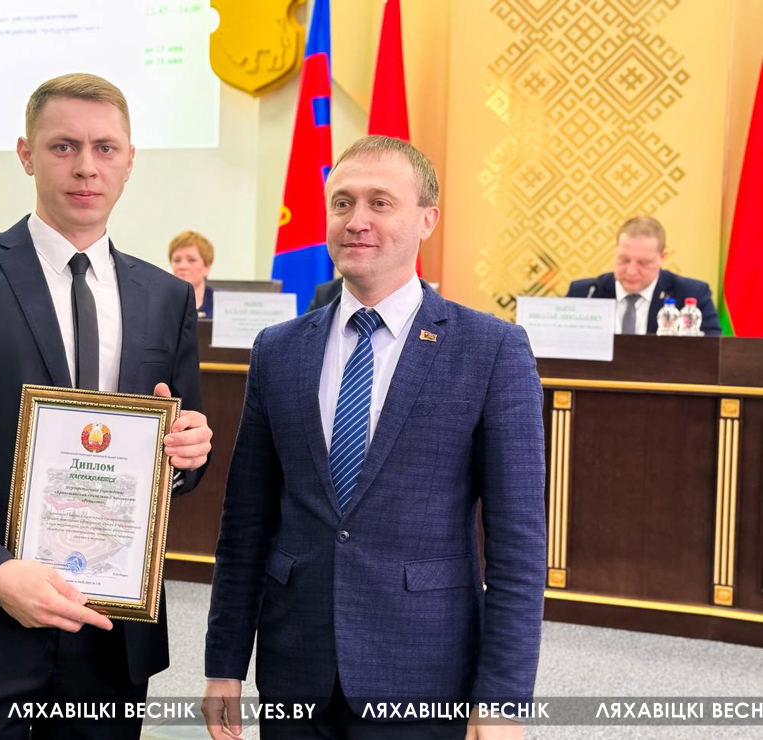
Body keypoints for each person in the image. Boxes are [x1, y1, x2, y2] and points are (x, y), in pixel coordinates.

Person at [0, 73, 212, 739]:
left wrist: (186, 454)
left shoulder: (166, 297)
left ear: (129, 161)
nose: (86, 166)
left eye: (105, 148)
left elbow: (179, 451)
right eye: (63, 146)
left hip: (111, 631)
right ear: (26, 154)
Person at [203, 136, 546, 739]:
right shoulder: (278, 350)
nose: (356, 220)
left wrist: (503, 700)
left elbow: (518, 548)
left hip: (423, 674)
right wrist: (225, 664)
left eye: (380, 203)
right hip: (294, 669)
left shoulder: (490, 350)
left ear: (427, 220)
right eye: (342, 202)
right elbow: (245, 525)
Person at [566, 216, 721, 335]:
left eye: (643, 263)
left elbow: (712, 352)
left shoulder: (691, 294)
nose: (631, 271)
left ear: (663, 257)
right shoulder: (586, 293)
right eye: (624, 260)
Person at [169, 230, 215, 318]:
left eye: (191, 260)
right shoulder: (160, 301)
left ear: (207, 266)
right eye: (177, 260)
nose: (182, 266)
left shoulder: (221, 303)